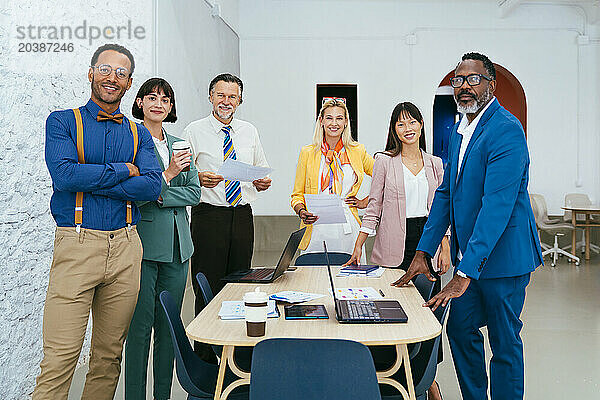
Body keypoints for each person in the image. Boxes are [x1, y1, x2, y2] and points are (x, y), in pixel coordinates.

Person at [394, 52, 543, 400]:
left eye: (473, 79)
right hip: (472, 261)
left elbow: (497, 207)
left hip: (504, 260)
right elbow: (446, 193)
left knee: (504, 342)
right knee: (460, 329)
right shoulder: (460, 131)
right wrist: (423, 251)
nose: (463, 86)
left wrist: (463, 272)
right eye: (457, 80)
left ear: (490, 85)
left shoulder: (506, 130)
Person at [33, 44, 162, 399]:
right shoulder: (62, 121)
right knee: (60, 357)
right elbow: (64, 176)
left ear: (129, 82)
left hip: (126, 247)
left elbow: (152, 185)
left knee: (108, 357)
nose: (112, 78)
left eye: (121, 73)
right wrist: (123, 171)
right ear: (91, 73)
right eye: (105, 70)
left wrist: (92, 178)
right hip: (77, 244)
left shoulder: (138, 132)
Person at [343, 101, 449, 400]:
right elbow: (374, 205)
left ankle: (428, 379)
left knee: (428, 312)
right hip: (393, 245)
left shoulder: (435, 164)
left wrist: (445, 245)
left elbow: (444, 210)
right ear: (394, 130)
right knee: (390, 313)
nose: (408, 129)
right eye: (401, 124)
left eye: (412, 122)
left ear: (421, 124)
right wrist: (358, 244)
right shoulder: (384, 162)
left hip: (427, 244)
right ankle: (392, 374)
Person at [182, 73, 271, 361]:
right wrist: (197, 176)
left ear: (240, 100)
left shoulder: (249, 130)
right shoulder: (194, 131)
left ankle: (236, 356)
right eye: (221, 95)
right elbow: (180, 172)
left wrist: (262, 181)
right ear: (210, 97)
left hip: (242, 216)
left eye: (232, 96)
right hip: (209, 217)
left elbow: (261, 168)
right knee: (206, 285)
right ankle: (206, 358)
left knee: (240, 284)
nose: (226, 101)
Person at [124, 78, 201, 400]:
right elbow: (130, 194)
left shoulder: (180, 143)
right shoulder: (129, 142)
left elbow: (195, 193)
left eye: (166, 99)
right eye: (152, 97)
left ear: (171, 107)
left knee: (170, 330)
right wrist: (167, 177)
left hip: (178, 248)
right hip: (143, 247)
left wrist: (158, 190)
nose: (159, 104)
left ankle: (163, 396)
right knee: (139, 331)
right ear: (140, 102)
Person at [291, 98, 374, 259]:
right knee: (314, 278)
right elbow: (297, 195)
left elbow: (385, 178)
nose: (334, 123)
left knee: (350, 278)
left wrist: (366, 201)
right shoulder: (307, 153)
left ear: (345, 122)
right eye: (329, 117)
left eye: (339, 118)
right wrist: (301, 211)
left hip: (348, 228)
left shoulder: (358, 151)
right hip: (316, 226)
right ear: (321, 121)